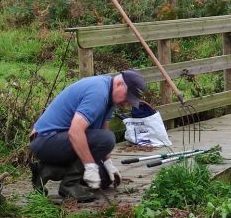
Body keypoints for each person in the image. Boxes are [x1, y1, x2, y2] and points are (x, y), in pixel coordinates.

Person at [29, 69, 147, 203]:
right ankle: (69, 185)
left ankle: (46, 170)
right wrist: (90, 165)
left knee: (103, 179)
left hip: (60, 140)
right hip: (45, 140)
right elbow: (76, 131)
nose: (127, 103)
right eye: (128, 97)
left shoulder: (110, 97)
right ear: (119, 84)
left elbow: (103, 128)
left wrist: (108, 163)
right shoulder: (98, 93)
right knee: (107, 139)